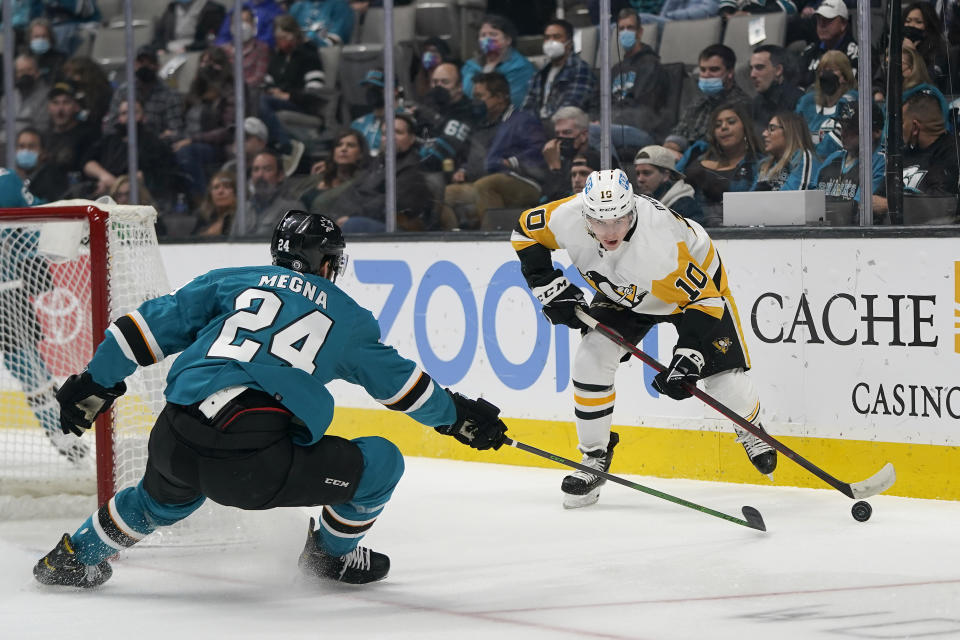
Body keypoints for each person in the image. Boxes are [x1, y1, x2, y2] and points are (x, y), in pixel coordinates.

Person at [33, 210, 510, 588]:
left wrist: (95, 383)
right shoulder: (346, 315)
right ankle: (330, 558)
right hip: (253, 464)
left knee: (159, 500)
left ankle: (72, 560)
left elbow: (136, 331)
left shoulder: (230, 280)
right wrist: (458, 418)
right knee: (381, 460)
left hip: (174, 434)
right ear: (327, 263)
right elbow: (405, 389)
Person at [511, 168, 776, 509]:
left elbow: (706, 300)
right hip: (624, 292)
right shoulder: (566, 216)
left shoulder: (660, 243)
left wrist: (689, 356)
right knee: (590, 359)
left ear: (632, 209)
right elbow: (524, 232)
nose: (609, 232)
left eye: (619, 220)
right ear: (584, 213)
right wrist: (547, 286)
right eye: (599, 221)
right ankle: (593, 459)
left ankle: (751, 428)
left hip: (691, 295)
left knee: (724, 382)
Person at [0, 168, 90, 463]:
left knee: (26, 366)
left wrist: (77, 227)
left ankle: (60, 435)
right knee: (26, 366)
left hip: (5, 291)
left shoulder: (5, 181)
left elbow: (35, 223)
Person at [440, 72, 547, 230]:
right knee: (449, 192)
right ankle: (456, 240)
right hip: (482, 181)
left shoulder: (523, 120)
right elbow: (474, 156)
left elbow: (539, 149)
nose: (475, 102)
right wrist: (464, 170)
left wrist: (511, 161)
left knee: (487, 185)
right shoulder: (481, 124)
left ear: (499, 97)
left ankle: (493, 236)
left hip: (524, 181)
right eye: (474, 96)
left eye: (480, 96)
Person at [331, 113, 436, 232]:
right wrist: (337, 217)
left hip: (397, 232)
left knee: (353, 225)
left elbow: (389, 203)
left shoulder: (414, 169)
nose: (391, 137)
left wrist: (351, 216)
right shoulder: (377, 164)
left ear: (411, 139)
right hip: (366, 219)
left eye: (398, 132)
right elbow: (352, 193)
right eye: (386, 134)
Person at [677, 102, 762, 225]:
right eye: (718, 125)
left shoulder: (759, 165)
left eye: (731, 122)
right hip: (690, 228)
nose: (724, 127)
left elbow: (753, 208)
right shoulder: (697, 151)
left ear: (745, 127)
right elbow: (673, 183)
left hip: (734, 231)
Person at [172, 47, 238, 198]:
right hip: (187, 138)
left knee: (186, 152)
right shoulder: (196, 89)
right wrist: (174, 133)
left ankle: (202, 198)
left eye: (213, 62)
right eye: (204, 62)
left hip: (214, 145)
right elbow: (183, 120)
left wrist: (191, 140)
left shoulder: (229, 91)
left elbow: (228, 130)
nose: (207, 66)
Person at [664, 44, 750, 156]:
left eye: (714, 70)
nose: (706, 75)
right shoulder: (698, 103)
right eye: (703, 70)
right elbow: (679, 132)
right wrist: (670, 149)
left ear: (730, 73)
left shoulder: (742, 105)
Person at [811, 100, 886, 223]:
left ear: (876, 132)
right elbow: (810, 200)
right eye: (842, 126)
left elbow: (856, 208)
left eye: (851, 128)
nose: (843, 133)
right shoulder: (833, 158)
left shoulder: (881, 161)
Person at [259, 15, 325, 154]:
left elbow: (315, 93)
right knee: (257, 100)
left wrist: (287, 96)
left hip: (301, 104)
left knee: (262, 102)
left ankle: (283, 144)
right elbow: (266, 83)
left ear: (294, 35)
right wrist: (272, 91)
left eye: (283, 37)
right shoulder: (278, 57)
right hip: (275, 101)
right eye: (277, 38)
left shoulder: (309, 54)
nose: (280, 42)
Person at [609, 8, 672, 147]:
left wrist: (608, 120)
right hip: (614, 126)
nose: (625, 32)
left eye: (630, 28)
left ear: (640, 32)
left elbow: (644, 109)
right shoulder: (614, 70)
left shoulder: (651, 65)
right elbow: (598, 102)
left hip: (642, 131)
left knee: (592, 134)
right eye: (622, 29)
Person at [104, 46, 185, 144]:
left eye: (150, 63)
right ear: (134, 65)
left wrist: (154, 140)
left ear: (158, 66)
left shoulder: (169, 94)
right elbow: (110, 126)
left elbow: (176, 132)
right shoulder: (123, 91)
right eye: (141, 62)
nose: (145, 66)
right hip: (125, 145)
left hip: (157, 147)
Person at [520, 18, 597, 121]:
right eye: (547, 38)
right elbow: (527, 107)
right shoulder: (541, 73)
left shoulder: (580, 70)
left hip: (563, 126)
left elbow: (570, 108)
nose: (551, 42)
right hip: (536, 128)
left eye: (556, 37)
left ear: (570, 43)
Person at [461, 14, 537, 110]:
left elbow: (514, 101)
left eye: (493, 34)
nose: (487, 39)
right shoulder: (470, 66)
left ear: (508, 40)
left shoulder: (521, 67)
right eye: (483, 35)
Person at [794, 49, 856, 160]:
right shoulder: (806, 102)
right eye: (822, 71)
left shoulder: (851, 102)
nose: (826, 75)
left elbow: (830, 148)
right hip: (804, 163)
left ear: (844, 76)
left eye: (832, 70)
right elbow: (793, 138)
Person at [300, 129, 369, 213]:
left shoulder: (362, 182)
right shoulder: (320, 176)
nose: (343, 149)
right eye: (339, 145)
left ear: (360, 154)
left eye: (350, 145)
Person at [236, 149, 302, 235]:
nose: (260, 175)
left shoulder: (293, 209)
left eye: (267, 169)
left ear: (280, 175)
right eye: (256, 169)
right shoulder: (244, 209)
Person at [45, 81, 102, 178]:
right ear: (49, 107)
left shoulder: (89, 135)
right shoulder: (44, 136)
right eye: (55, 103)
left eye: (66, 102)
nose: (60, 109)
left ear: (76, 106)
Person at [633, 144, 704, 223]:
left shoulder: (685, 207)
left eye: (646, 173)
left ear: (665, 175)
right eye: (637, 173)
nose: (640, 179)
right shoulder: (639, 203)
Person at [798, 0, 858, 88]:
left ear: (843, 24)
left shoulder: (858, 55)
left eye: (828, 20)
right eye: (819, 19)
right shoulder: (810, 52)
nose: (821, 24)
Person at [749, 45, 804, 138]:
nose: (752, 74)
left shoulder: (799, 102)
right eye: (751, 68)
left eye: (759, 67)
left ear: (778, 70)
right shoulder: (755, 103)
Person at [754, 111, 817, 191]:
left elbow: (793, 197)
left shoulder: (802, 157)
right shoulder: (765, 165)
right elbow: (749, 198)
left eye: (772, 129)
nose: (764, 134)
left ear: (790, 132)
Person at [0, 54, 50, 143]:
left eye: (29, 70)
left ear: (37, 73)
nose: (25, 74)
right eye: (21, 71)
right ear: (16, 75)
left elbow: (42, 127)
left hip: (28, 143)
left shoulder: (46, 95)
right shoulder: (8, 96)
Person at [219, 7, 271, 88]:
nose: (241, 26)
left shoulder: (261, 48)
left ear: (253, 24)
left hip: (249, 95)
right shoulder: (222, 50)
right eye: (237, 22)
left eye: (246, 21)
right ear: (231, 26)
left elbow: (258, 77)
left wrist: (236, 87)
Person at [13, 127, 68, 202]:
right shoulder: (15, 179)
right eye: (22, 146)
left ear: (43, 153)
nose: (25, 151)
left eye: (31, 146)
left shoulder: (52, 179)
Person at [152, 0, 227, 53]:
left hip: (196, 52)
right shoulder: (172, 8)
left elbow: (213, 39)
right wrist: (161, 48)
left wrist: (188, 48)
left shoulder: (213, 9)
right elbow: (159, 35)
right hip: (169, 51)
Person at [61, 56, 114, 129]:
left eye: (73, 73)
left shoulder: (101, 91)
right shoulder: (72, 88)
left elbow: (96, 114)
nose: (69, 77)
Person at [289, 0, 353, 47]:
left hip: (325, 58)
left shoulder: (340, 6)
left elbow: (335, 41)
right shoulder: (297, 7)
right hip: (297, 57)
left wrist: (310, 41)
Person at [194, 171, 238, 235]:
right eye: (216, 187)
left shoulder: (244, 217)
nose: (220, 191)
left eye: (226, 187)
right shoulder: (204, 217)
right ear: (210, 194)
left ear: (236, 192)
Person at [25, 18, 66, 84]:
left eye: (44, 36)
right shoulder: (23, 59)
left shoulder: (60, 58)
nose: (40, 40)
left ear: (50, 38)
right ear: (29, 38)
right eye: (36, 36)